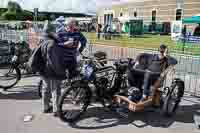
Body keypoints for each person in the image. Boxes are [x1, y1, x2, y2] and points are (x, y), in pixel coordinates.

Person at [40, 18, 87, 117]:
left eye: (73, 26)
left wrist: (80, 50)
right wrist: (64, 44)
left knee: (73, 77)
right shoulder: (59, 33)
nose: (71, 28)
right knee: (55, 87)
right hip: (59, 61)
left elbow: (84, 41)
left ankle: (73, 93)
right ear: (66, 25)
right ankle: (56, 109)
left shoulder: (77, 33)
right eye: (69, 26)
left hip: (71, 59)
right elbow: (56, 45)